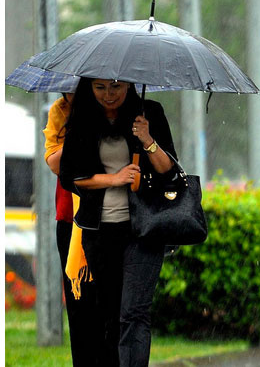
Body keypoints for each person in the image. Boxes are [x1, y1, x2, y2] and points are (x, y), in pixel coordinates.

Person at [59, 77, 176, 367]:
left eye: (115, 87)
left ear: (129, 86)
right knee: (109, 312)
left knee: (134, 313)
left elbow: (169, 170)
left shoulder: (149, 113)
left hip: (143, 230)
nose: (108, 95)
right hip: (99, 232)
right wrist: (114, 179)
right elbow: (71, 176)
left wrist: (148, 140)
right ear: (90, 89)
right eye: (100, 88)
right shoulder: (83, 120)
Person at [43, 92, 102, 366]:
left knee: (106, 306)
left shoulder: (115, 108)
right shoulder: (61, 111)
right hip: (71, 219)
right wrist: (79, 133)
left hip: (110, 218)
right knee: (78, 305)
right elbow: (55, 163)